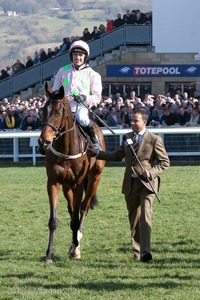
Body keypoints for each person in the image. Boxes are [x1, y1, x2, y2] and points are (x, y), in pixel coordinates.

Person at [89, 109, 170, 262]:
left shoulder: (154, 139)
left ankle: (145, 252)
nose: (132, 123)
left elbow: (165, 162)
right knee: (134, 220)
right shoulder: (127, 138)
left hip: (147, 185)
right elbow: (117, 156)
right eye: (131, 120)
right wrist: (97, 153)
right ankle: (137, 252)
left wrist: (151, 172)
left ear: (144, 122)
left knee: (146, 218)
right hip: (130, 185)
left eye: (136, 121)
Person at [52, 40, 102, 149]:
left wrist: (84, 97)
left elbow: (97, 97)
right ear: (71, 56)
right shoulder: (62, 70)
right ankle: (44, 144)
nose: (77, 57)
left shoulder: (93, 74)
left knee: (82, 119)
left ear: (85, 57)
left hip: (81, 107)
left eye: (80, 55)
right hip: (63, 106)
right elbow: (55, 90)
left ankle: (95, 141)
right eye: (75, 55)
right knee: (50, 120)